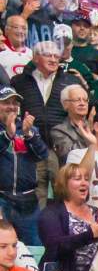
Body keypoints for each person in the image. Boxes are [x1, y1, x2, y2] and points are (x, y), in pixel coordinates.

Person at [0, 87, 47, 244]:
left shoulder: (28, 128)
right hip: (1, 199)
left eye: (15, 103)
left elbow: (42, 154)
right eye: (6, 102)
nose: (12, 107)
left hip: (28, 201)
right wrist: (8, 134)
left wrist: (29, 135)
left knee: (34, 249)